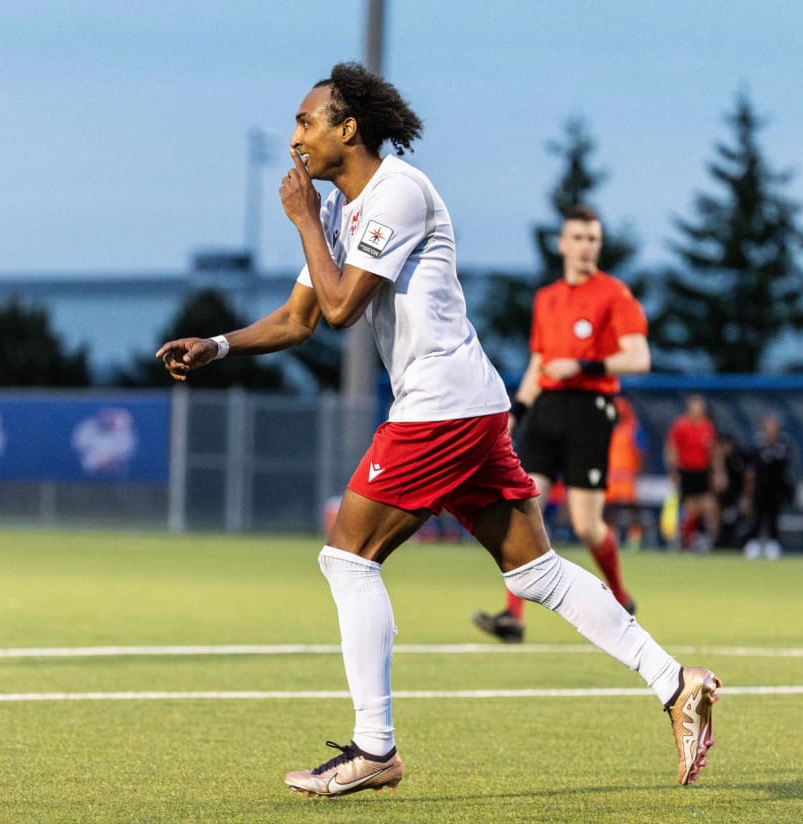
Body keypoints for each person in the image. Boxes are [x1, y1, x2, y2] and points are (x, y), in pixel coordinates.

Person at [155, 63, 720, 795]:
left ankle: (374, 747)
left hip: (440, 407)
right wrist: (220, 345)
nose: (295, 138)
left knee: (348, 557)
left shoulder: (397, 192)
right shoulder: (340, 208)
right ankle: (675, 682)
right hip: (465, 403)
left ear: (347, 128)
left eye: (305, 122)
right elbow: (299, 319)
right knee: (535, 571)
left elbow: (339, 311)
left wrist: (299, 220)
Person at [473, 203, 646, 644]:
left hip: (591, 409)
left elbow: (639, 358)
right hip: (548, 408)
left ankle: (622, 598)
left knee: (586, 524)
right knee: (521, 509)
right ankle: (513, 618)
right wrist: (516, 413)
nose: (586, 247)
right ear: (562, 243)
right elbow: (538, 363)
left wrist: (586, 365)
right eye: (579, 238)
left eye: (593, 239)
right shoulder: (547, 298)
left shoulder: (615, 294)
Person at [664, 394, 722, 550]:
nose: (698, 409)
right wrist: (673, 470)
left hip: (702, 472)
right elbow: (672, 448)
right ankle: (687, 539)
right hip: (686, 471)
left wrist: (718, 472)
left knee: (710, 505)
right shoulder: (681, 425)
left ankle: (711, 541)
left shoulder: (707, 426)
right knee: (691, 507)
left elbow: (713, 451)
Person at [742, 413, 793, 560]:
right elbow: (750, 471)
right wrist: (748, 493)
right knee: (757, 516)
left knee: (773, 516)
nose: (771, 430)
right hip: (760, 488)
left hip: (776, 488)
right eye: (769, 427)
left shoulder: (783, 447)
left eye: (774, 427)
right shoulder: (757, 447)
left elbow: (785, 468)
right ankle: (753, 544)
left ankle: (773, 544)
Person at [605, 396, 646, 551]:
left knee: (632, 507)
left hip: (628, 475)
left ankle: (634, 536)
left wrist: (639, 471)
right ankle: (611, 536)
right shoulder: (607, 428)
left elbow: (642, 451)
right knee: (609, 508)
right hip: (612, 475)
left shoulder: (634, 428)